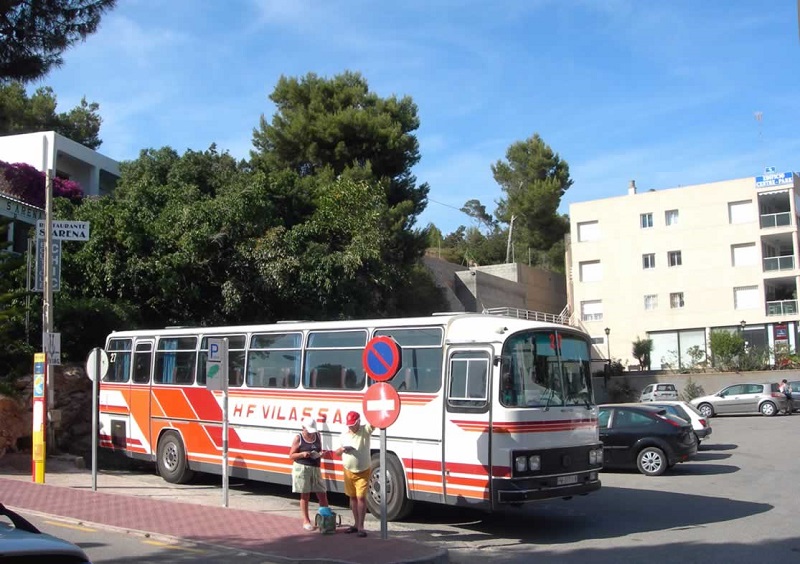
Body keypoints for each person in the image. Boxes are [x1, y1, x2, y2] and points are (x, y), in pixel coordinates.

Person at [335, 411, 374, 537]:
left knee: (361, 497)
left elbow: (374, 423)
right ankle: (356, 524)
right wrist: (342, 450)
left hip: (363, 470)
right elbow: (337, 452)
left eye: (353, 424)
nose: (351, 427)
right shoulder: (344, 435)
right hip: (348, 470)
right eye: (349, 425)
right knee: (352, 497)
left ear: (358, 422)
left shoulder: (365, 431)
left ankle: (361, 526)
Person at [289, 416, 330, 530]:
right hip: (302, 468)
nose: (311, 433)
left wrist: (320, 454)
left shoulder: (317, 435)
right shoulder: (299, 438)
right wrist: (302, 454)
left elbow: (319, 449)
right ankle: (306, 520)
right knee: (305, 494)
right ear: (303, 428)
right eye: (309, 431)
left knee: (322, 493)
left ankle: (324, 520)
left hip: (315, 468)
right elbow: (291, 455)